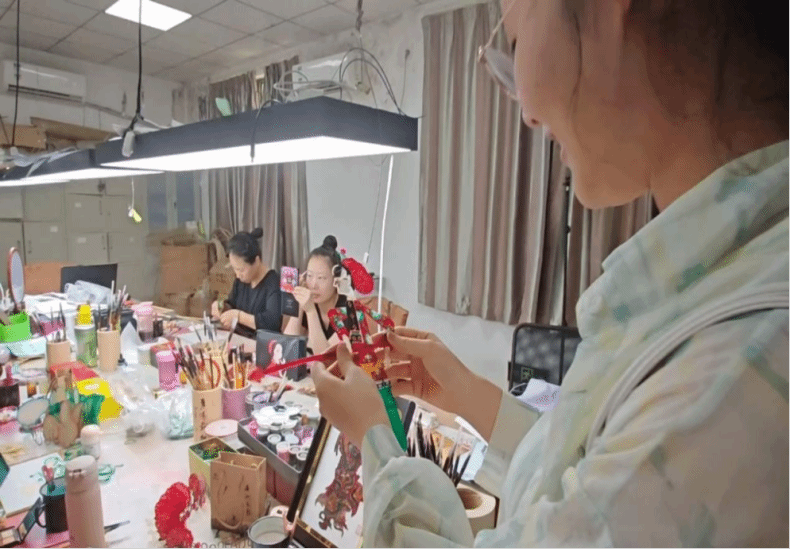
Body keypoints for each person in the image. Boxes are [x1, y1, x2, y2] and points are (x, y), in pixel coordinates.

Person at [310, 0, 789, 546]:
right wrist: (465, 392)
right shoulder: (720, 286)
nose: (528, 112)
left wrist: (375, 438)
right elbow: (588, 473)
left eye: (515, 43)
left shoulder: (735, 370)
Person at [211, 228, 281, 338]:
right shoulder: (241, 281)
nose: (237, 275)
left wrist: (239, 316)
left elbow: (272, 323)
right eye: (235, 269)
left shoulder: (274, 283)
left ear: (256, 261)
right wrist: (221, 306)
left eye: (241, 270)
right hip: (238, 339)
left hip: (260, 344)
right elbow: (232, 304)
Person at [283, 236, 347, 354]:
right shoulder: (310, 302)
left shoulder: (347, 309)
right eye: (310, 275)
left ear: (336, 280)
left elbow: (327, 357)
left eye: (321, 278)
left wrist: (311, 311)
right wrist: (299, 304)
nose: (313, 285)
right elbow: (286, 348)